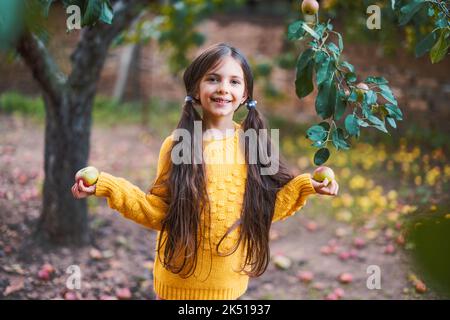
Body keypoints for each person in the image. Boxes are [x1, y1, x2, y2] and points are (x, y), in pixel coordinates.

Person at [71, 43, 339, 300]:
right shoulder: (178, 145)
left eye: (234, 82)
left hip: (229, 286)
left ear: (245, 95)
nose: (224, 88)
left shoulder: (255, 145)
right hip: (177, 285)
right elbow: (159, 212)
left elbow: (264, 211)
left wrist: (307, 185)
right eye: (213, 79)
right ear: (196, 89)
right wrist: (108, 186)